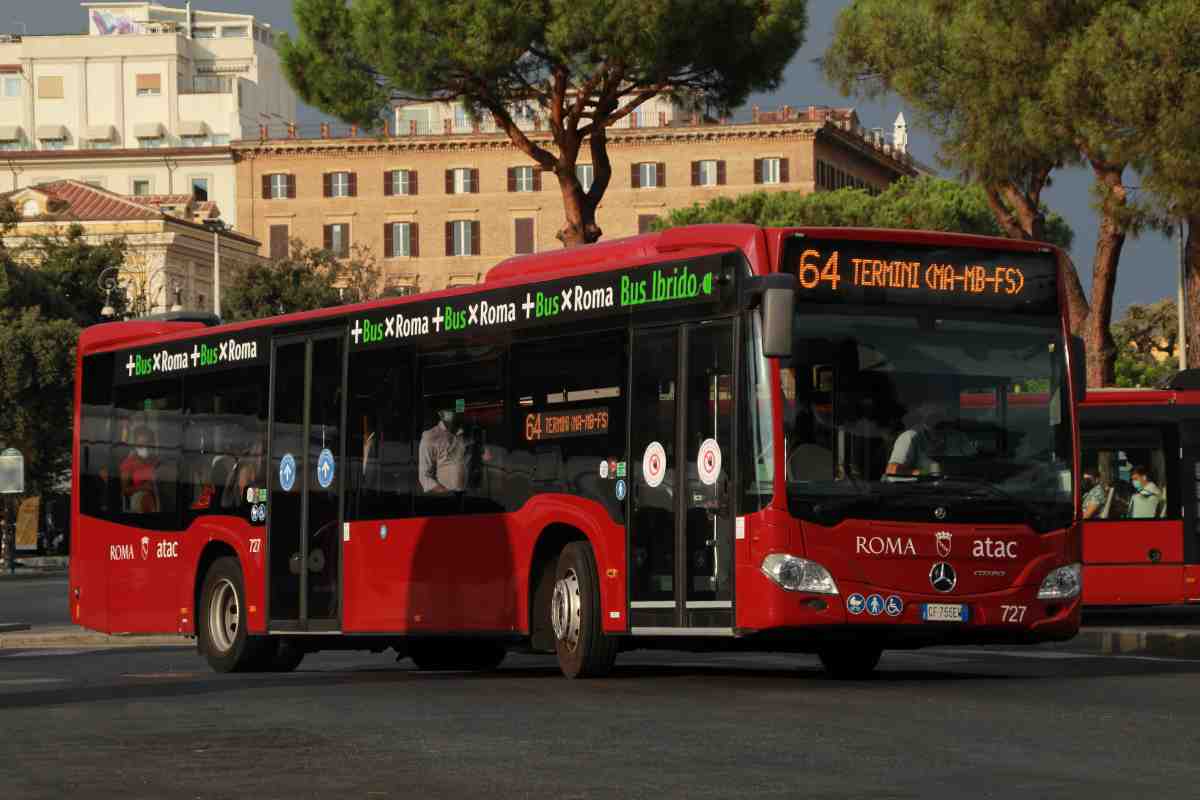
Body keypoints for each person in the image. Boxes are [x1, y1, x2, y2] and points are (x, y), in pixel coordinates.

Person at [884, 398, 977, 479]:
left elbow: (975, 465)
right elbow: (892, 470)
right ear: (922, 411)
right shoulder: (911, 436)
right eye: (932, 407)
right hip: (921, 494)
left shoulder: (959, 437)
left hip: (959, 492)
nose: (937, 410)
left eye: (941, 406)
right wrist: (925, 474)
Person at [418, 406, 471, 493]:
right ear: (441, 414)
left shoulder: (465, 434)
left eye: (459, 409)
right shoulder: (431, 437)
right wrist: (444, 492)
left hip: (467, 496)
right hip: (447, 498)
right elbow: (424, 477)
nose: (456, 412)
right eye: (451, 408)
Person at [119, 425, 159, 513]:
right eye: (141, 444)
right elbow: (124, 490)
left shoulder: (155, 460)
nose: (145, 447)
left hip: (158, 493)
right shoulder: (129, 463)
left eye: (148, 443)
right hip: (139, 496)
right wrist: (143, 487)